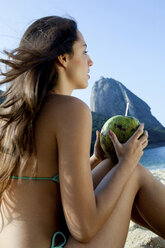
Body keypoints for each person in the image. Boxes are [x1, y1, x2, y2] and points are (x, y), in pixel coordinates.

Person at [0, 15, 165, 248]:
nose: (91, 62)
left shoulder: (10, 114)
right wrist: (128, 162)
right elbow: (84, 228)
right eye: (84, 51)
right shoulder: (71, 110)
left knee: (113, 164)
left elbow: (46, 188)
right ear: (64, 58)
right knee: (131, 172)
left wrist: (97, 160)